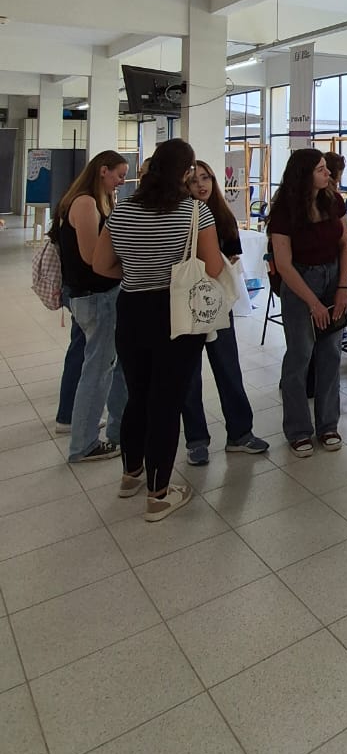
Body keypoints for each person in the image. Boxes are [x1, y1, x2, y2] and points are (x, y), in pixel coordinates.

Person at [93, 139, 224, 522]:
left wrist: (138, 271)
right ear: (185, 172)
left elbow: (101, 264)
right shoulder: (195, 212)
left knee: (138, 396)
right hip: (175, 313)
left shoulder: (122, 211)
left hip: (132, 310)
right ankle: (158, 494)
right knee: (166, 401)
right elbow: (213, 267)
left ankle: (130, 475)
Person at [181, 160, 269, 465]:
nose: (201, 185)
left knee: (228, 367)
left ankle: (240, 433)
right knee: (189, 374)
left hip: (218, 301)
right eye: (194, 180)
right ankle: (196, 440)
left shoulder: (222, 214)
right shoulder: (180, 215)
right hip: (186, 303)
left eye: (206, 178)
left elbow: (233, 257)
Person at [267, 149, 347, 457]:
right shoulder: (284, 210)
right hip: (299, 282)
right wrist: (313, 302)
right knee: (300, 355)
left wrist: (343, 287)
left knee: (331, 352)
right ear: (304, 175)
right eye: (320, 169)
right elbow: (283, 264)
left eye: (326, 168)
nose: (328, 173)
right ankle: (298, 429)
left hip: (332, 277)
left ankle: (328, 424)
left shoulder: (333, 201)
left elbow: (345, 245)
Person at [52, 150, 129, 461]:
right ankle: (83, 444)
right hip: (95, 297)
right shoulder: (85, 203)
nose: (121, 181)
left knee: (100, 365)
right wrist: (127, 269)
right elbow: (92, 257)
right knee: (97, 370)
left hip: (93, 295)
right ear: (102, 170)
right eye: (119, 175)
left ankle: (89, 426)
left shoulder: (95, 200)